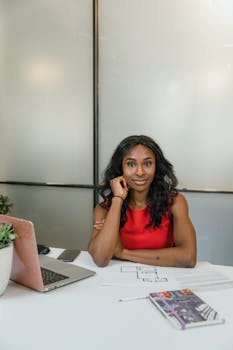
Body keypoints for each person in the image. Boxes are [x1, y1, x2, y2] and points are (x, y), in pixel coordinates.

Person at [88, 135, 196, 268]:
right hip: (118, 280)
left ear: (156, 166)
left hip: (162, 279)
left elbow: (188, 257)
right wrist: (117, 199)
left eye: (147, 163)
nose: (140, 172)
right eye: (131, 164)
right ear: (120, 168)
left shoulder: (175, 202)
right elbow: (100, 259)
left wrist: (123, 253)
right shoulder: (104, 209)